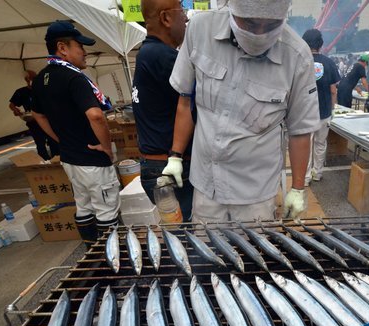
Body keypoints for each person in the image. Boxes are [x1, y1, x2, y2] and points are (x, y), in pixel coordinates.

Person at [162, 0, 320, 222]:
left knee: (251, 256)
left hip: (255, 195)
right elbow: (186, 100)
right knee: (208, 252)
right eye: (250, 23)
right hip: (207, 184)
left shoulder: (297, 56)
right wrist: (176, 156)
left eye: (271, 25)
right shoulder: (200, 30)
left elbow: (301, 131)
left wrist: (297, 188)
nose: (259, 34)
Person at [32, 21, 120, 248]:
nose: (85, 52)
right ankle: (113, 258)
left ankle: (92, 251)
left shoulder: (40, 79)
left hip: (70, 158)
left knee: (83, 205)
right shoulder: (75, 78)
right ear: (62, 48)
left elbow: (38, 115)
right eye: (80, 46)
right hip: (92, 158)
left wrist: (61, 139)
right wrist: (106, 147)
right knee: (106, 208)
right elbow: (96, 116)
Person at [131, 0, 193, 221]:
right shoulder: (164, 57)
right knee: (193, 239)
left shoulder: (147, 53)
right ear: (166, 18)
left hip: (155, 164)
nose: (185, 18)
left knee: (182, 234)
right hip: (171, 168)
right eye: (181, 11)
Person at [302, 28, 341, 186]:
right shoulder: (329, 62)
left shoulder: (301, 61)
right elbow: (333, 90)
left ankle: (305, 177)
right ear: (321, 44)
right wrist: (332, 110)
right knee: (320, 144)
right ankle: (317, 173)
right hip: (324, 112)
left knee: (306, 144)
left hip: (305, 113)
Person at [9, 70, 59, 160]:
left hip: (49, 121)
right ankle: (45, 163)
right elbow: (12, 104)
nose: (32, 80)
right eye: (30, 78)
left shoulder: (44, 90)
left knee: (54, 141)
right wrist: (15, 110)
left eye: (34, 78)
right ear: (26, 80)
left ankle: (57, 160)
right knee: (40, 144)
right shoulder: (21, 92)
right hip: (33, 122)